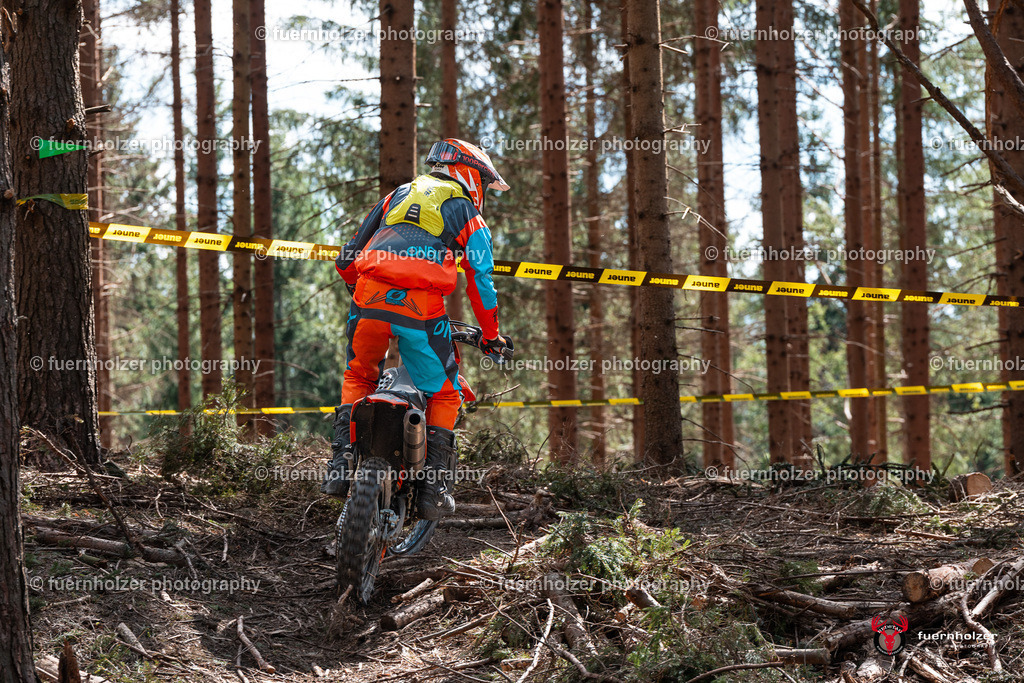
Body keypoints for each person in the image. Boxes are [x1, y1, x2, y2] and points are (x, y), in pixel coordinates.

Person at [321, 139, 513, 520]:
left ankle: (341, 461)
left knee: (359, 374)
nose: (483, 193)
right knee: (445, 393)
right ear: (470, 174)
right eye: (484, 183)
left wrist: (356, 285)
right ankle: (432, 488)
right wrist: (491, 336)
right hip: (421, 309)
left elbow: (349, 254)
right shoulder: (467, 214)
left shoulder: (398, 194)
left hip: (368, 298)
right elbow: (481, 281)